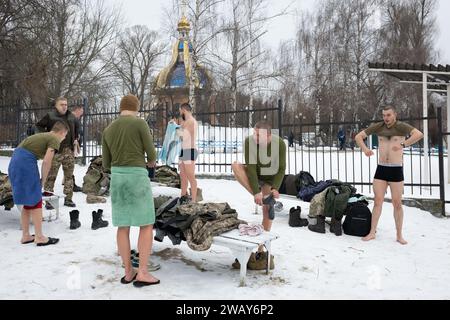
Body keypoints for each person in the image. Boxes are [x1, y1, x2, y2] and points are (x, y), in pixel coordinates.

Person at [102, 94, 160, 287]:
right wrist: (150, 163)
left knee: (123, 226)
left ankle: (128, 272)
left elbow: (106, 163)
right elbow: (151, 154)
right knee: (146, 224)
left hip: (117, 178)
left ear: (120, 108)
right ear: (136, 108)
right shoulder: (139, 124)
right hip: (136, 176)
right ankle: (142, 272)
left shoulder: (108, 129)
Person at [355, 105, 424, 245]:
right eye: (384, 115)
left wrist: (403, 144)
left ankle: (399, 235)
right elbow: (358, 137)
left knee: (397, 203)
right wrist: (365, 149)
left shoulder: (401, 127)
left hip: (396, 169)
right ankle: (372, 232)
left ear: (395, 115)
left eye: (388, 115)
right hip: (381, 169)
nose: (386, 118)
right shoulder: (378, 127)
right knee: (378, 201)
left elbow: (419, 134)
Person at [232, 121, 286, 269]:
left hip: (270, 178)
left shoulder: (280, 144)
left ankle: (261, 249)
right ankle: (265, 200)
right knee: (236, 166)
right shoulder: (250, 142)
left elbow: (281, 168)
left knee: (267, 212)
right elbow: (251, 167)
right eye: (253, 133)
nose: (254, 136)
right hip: (254, 176)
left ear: (268, 136)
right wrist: (256, 192)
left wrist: (275, 188)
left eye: (258, 134)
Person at [8, 121, 69, 246]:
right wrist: (43, 180)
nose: (64, 139)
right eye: (65, 136)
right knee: (36, 200)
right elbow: (47, 162)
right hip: (25, 164)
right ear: (62, 132)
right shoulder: (54, 138)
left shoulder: (44, 136)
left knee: (28, 201)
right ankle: (39, 237)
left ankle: (25, 235)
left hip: (15, 162)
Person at [36, 97, 78, 208]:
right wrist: (46, 137)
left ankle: (68, 199)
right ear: (56, 105)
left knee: (69, 176)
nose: (64, 106)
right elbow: (38, 126)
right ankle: (49, 201)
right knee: (51, 176)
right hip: (55, 150)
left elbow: (76, 129)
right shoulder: (50, 116)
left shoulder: (71, 116)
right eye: (62, 104)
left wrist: (76, 140)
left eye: (66, 104)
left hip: (68, 150)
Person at [178, 103, 199, 203]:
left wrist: (178, 128)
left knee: (190, 175)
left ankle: (194, 199)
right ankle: (183, 196)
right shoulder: (185, 122)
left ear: (183, 110)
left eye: (180, 110)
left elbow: (183, 137)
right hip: (183, 151)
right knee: (182, 176)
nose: (179, 113)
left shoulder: (191, 122)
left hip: (189, 150)